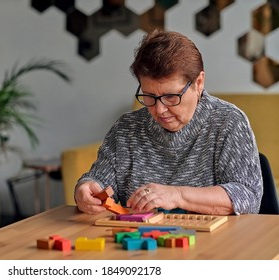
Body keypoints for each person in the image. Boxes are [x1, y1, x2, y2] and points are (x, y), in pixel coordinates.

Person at [74, 30, 263, 216]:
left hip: (215, 242)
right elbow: (98, 180)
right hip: (141, 242)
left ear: (199, 83)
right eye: (149, 96)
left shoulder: (228, 122)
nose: (159, 109)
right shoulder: (126, 129)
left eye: (171, 97)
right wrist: (85, 189)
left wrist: (177, 195)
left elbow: (247, 196)